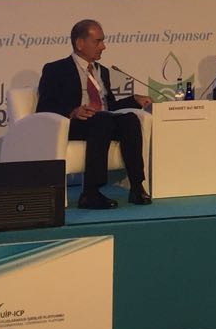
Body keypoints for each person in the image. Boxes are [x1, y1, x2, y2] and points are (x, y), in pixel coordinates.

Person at [36, 18, 150, 208]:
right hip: (73, 124)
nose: (103, 47)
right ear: (80, 43)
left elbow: (109, 106)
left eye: (103, 41)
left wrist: (134, 100)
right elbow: (45, 106)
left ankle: (137, 186)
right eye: (98, 41)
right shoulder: (56, 69)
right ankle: (90, 192)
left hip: (102, 121)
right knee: (102, 120)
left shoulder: (102, 71)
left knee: (130, 119)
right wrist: (73, 111)